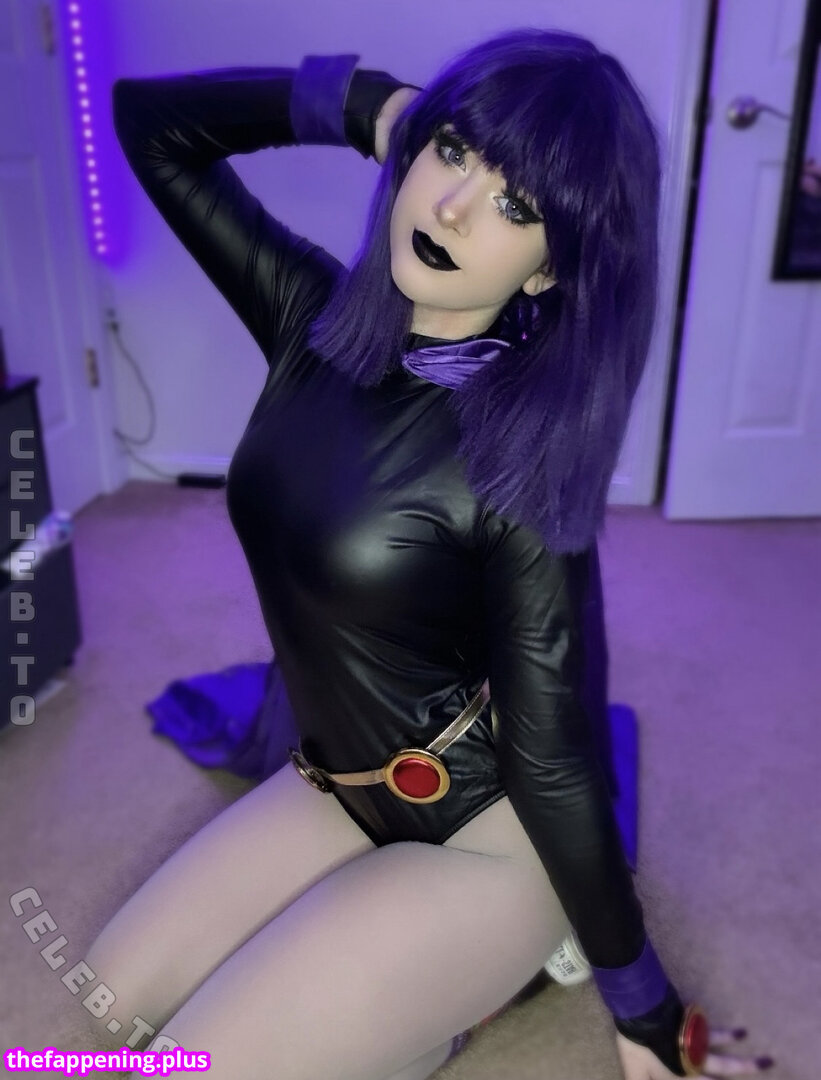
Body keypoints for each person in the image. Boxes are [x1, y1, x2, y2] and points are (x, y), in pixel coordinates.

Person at [86, 27, 767, 1080]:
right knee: (104, 995)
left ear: (549, 269)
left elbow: (550, 756)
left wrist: (642, 1009)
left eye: (516, 206)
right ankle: (421, 1016)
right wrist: (364, 106)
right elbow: (148, 125)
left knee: (188, 1067)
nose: (452, 208)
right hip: (340, 782)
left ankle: (494, 968)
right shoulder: (309, 317)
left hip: (483, 835)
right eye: (453, 152)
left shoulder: (520, 468)